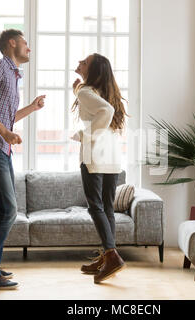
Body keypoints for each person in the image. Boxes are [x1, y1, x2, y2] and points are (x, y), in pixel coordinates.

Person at [0, 29, 46, 290]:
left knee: (1, 210)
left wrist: (33, 108)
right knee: (8, 210)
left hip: (0, 147)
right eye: (26, 43)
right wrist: (4, 132)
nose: (29, 48)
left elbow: (8, 117)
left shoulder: (13, 77)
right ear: (12, 43)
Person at [71, 53, 129, 284]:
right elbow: (108, 111)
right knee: (107, 207)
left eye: (83, 62)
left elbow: (106, 112)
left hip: (95, 155)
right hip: (112, 156)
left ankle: (112, 256)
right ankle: (107, 256)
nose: (78, 63)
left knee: (95, 206)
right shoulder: (108, 92)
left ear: (92, 70)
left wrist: (85, 135)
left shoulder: (86, 92)